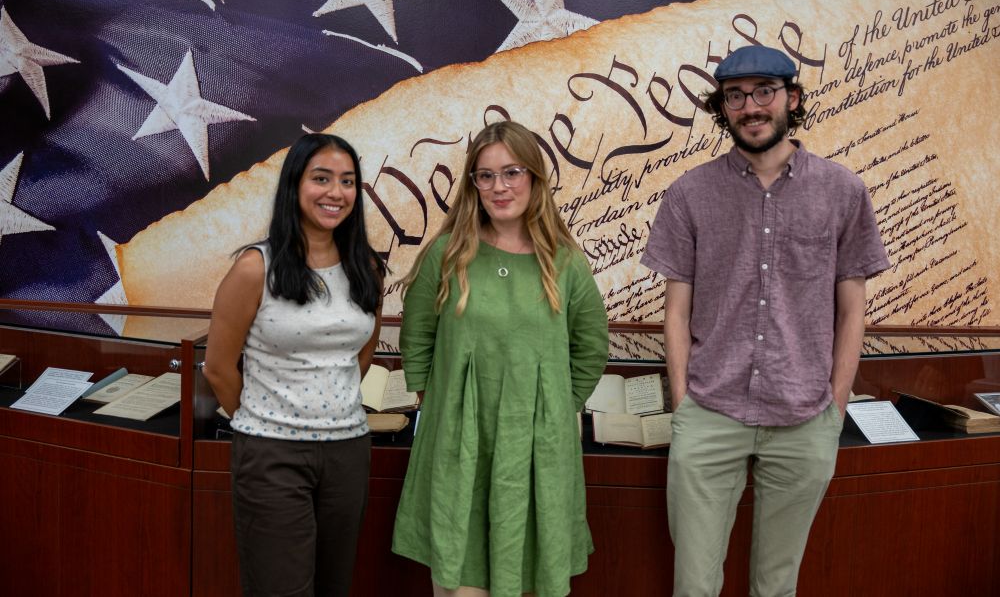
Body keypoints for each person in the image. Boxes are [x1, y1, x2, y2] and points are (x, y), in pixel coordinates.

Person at [641, 45, 890, 597]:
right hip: (710, 413)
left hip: (805, 417)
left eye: (763, 92)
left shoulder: (843, 191)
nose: (750, 106)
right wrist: (683, 404)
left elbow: (852, 309)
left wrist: (836, 405)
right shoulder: (689, 194)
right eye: (735, 95)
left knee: (777, 586)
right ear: (723, 107)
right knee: (694, 585)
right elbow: (675, 310)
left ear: (791, 98)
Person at [391, 121, 609, 597]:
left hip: (536, 449)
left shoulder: (565, 262)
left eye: (511, 172)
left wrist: (552, 406)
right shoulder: (447, 255)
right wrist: (446, 405)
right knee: (460, 578)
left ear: (534, 177)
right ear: (472, 185)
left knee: (530, 573)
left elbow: (592, 346)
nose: (499, 187)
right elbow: (418, 340)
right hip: (458, 442)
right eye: (485, 176)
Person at [203, 133, 385, 597]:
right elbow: (219, 368)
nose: (335, 193)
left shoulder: (365, 266)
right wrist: (271, 416)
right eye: (321, 178)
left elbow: (358, 355)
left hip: (347, 451)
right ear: (294, 186)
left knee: (333, 586)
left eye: (347, 181)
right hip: (271, 453)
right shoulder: (253, 267)